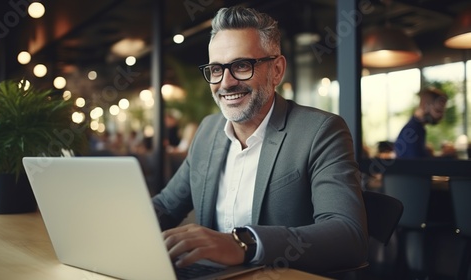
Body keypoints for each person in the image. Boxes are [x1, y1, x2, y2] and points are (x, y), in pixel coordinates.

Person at [152, 6, 368, 274]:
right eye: (216, 69)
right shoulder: (208, 130)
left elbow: (348, 237)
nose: (226, 83)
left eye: (241, 66)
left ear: (276, 70)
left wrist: (243, 244)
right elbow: (166, 206)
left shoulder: (321, 131)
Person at [394, 87, 448, 158]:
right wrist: (445, 156)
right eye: (438, 111)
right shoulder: (412, 131)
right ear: (425, 106)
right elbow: (416, 165)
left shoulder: (416, 129)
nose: (441, 116)